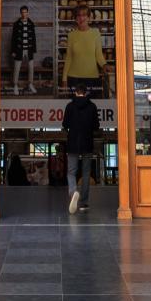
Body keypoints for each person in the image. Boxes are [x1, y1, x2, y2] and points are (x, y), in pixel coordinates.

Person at [62, 83, 100, 214]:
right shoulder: (92, 106)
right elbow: (96, 126)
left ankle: (73, 192)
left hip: (72, 143)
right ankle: (83, 203)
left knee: (71, 172)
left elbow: (65, 124)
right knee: (85, 173)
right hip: (87, 143)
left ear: (76, 92)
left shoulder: (70, 106)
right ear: (86, 93)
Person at [62, 3, 105, 92]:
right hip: (73, 79)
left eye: (84, 15)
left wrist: (105, 65)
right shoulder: (71, 35)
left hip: (92, 78)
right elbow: (69, 58)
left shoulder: (96, 34)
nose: (81, 18)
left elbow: (99, 56)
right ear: (75, 18)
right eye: (78, 15)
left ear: (89, 18)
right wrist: (64, 79)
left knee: (91, 105)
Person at [11, 5, 37, 94]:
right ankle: (15, 85)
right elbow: (13, 38)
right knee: (17, 68)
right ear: (20, 13)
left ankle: (30, 84)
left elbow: (33, 37)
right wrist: (13, 51)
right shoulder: (16, 24)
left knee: (31, 68)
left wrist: (34, 49)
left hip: (28, 50)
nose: (24, 14)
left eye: (25, 12)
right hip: (19, 49)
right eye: (22, 12)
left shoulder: (31, 24)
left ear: (28, 13)